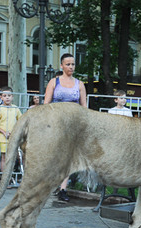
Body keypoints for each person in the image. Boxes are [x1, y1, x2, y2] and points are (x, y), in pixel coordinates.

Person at [44, 53, 87, 201]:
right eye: (68, 64)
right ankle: (51, 184)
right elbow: (46, 104)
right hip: (56, 124)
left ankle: (63, 189)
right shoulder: (54, 82)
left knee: (68, 158)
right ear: (61, 65)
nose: (71, 67)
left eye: (73, 64)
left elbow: (84, 108)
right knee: (54, 156)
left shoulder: (79, 84)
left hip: (73, 126)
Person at [0, 86, 22, 179]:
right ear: (1, 97)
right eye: (4, 96)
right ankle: (5, 179)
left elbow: (21, 120)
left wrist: (16, 132)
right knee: (4, 157)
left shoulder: (16, 108)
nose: (7, 97)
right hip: (3, 136)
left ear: (12, 97)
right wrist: (4, 132)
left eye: (9, 95)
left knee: (14, 157)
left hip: (14, 136)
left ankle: (13, 176)